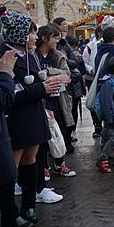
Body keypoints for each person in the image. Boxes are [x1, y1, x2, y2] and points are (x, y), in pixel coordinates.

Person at [1, 11, 65, 222]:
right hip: (17, 118)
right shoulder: (4, 56)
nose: (35, 38)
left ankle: (29, 206)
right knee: (12, 165)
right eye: (31, 33)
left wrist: (53, 82)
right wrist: (43, 88)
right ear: (20, 34)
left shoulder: (31, 55)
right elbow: (10, 92)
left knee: (32, 159)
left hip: (35, 114)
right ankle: (10, 213)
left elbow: (37, 83)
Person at [0, 4, 34, 227]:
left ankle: (14, 211)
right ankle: (10, 214)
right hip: (1, 123)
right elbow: (0, 98)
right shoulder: (4, 57)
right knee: (7, 168)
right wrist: (5, 73)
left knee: (8, 169)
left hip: (0, 126)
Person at [35, 25, 76, 177]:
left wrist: (47, 73)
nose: (58, 40)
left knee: (60, 132)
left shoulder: (58, 56)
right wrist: (55, 78)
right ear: (45, 38)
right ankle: (43, 167)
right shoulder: (33, 55)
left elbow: (67, 75)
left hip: (58, 100)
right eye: (55, 37)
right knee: (43, 135)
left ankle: (60, 164)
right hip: (40, 101)